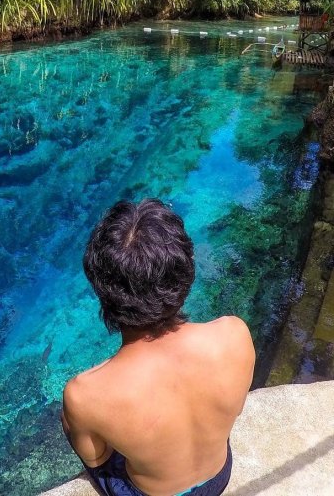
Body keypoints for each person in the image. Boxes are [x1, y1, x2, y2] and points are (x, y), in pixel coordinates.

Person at [61, 199, 255, 496]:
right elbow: (237, 408)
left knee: (72, 424)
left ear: (104, 294)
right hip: (218, 476)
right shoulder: (234, 334)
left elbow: (96, 458)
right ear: (185, 275)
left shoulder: (84, 393)